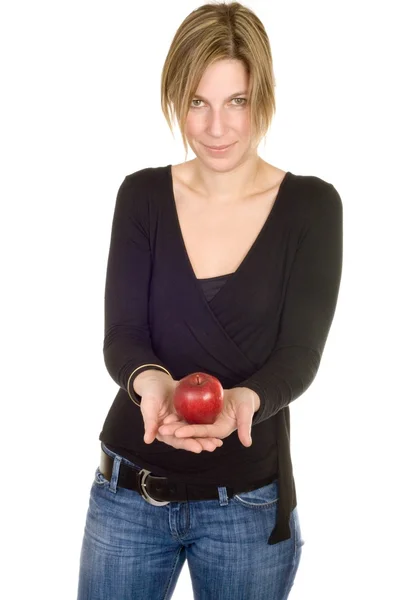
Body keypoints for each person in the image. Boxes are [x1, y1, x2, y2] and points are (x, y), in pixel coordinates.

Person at [77, 2, 343, 599]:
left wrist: (246, 399)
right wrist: (150, 384)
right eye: (198, 101)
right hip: (129, 493)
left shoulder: (311, 208)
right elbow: (122, 333)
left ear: (263, 96)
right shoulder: (142, 196)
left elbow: (299, 353)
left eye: (237, 101)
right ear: (176, 98)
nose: (216, 127)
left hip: (249, 506)